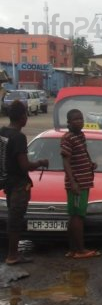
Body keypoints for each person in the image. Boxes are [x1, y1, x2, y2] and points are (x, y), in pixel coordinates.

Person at [1, 100, 49, 265]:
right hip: (18, 184)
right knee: (16, 220)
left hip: (7, 182)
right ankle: (13, 255)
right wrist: (40, 162)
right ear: (22, 117)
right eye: (26, 115)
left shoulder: (3, 132)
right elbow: (25, 165)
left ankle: (11, 253)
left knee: (12, 217)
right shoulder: (19, 137)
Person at [61, 109, 100, 259]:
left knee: (75, 216)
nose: (79, 121)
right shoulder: (68, 138)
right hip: (77, 184)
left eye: (80, 118)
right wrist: (73, 183)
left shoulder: (80, 136)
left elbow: (81, 154)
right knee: (77, 216)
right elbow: (66, 161)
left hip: (84, 181)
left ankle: (72, 250)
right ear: (69, 122)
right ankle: (80, 250)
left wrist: (90, 165)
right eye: (75, 119)